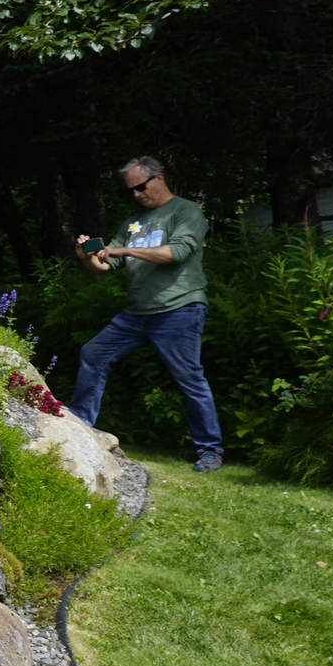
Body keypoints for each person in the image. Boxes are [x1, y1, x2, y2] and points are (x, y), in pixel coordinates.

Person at [69, 156, 224, 471]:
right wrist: (86, 257)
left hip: (179, 309)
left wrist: (122, 250)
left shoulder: (186, 211)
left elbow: (177, 252)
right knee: (93, 352)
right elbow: (104, 265)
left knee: (190, 379)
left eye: (141, 187)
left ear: (160, 178)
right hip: (137, 315)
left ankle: (210, 451)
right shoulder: (132, 223)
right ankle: (79, 427)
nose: (137, 194)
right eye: (131, 191)